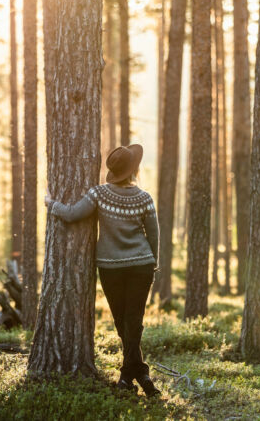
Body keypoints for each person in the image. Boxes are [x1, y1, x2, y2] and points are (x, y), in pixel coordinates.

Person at [44, 144, 161, 396]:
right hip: (142, 265)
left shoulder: (99, 194)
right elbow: (153, 234)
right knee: (132, 322)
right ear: (134, 170)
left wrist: (51, 203)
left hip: (111, 269)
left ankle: (129, 375)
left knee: (123, 321)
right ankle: (139, 373)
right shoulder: (145, 198)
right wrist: (154, 261)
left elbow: (73, 214)